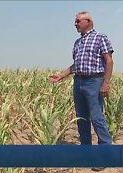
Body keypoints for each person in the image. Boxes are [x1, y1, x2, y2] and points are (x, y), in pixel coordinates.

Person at [49, 11, 114, 146]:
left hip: (94, 82)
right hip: (78, 82)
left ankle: (105, 151)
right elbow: (76, 65)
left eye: (78, 21)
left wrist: (106, 83)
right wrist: (61, 75)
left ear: (88, 22)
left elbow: (109, 61)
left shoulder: (100, 37)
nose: (75, 24)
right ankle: (86, 151)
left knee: (97, 118)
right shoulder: (78, 42)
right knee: (82, 118)